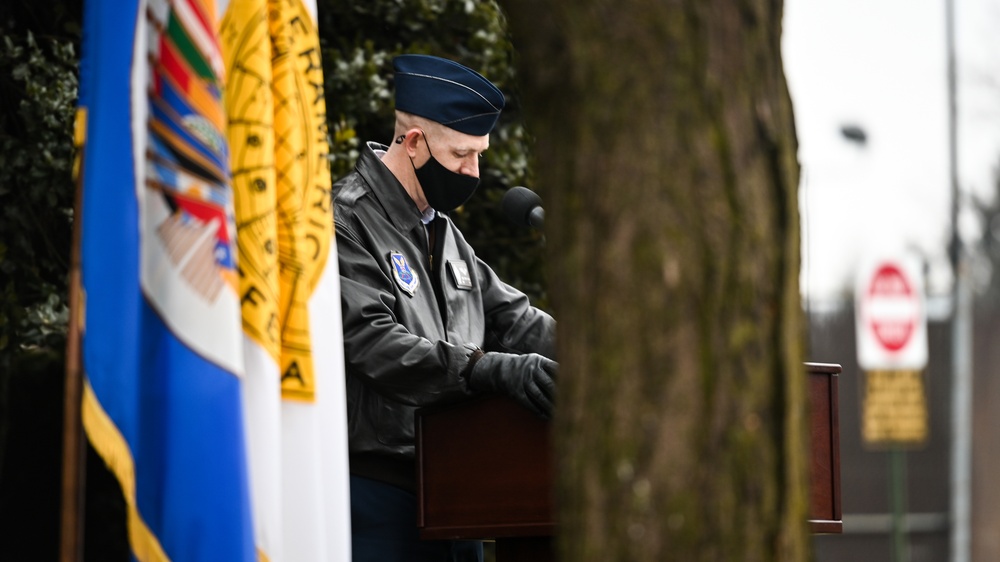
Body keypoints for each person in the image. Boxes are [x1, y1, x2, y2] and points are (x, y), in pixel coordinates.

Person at [332, 54, 558, 562]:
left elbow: (517, 321)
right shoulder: (345, 222)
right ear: (413, 144)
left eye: (478, 154)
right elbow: (372, 342)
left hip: (463, 495)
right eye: (462, 154)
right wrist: (483, 369)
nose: (472, 171)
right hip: (380, 499)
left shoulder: (446, 233)